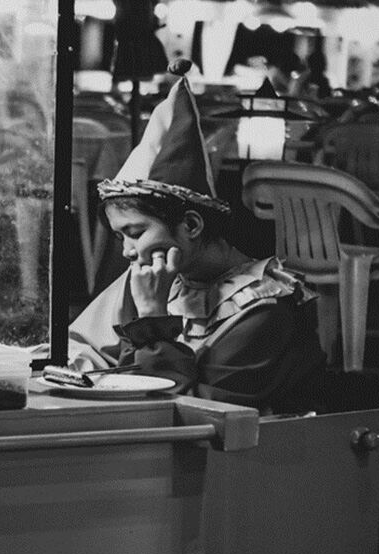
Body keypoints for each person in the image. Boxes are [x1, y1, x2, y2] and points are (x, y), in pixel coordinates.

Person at [68, 59, 325, 415]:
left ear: (191, 225)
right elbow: (82, 348)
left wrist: (153, 317)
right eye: (119, 237)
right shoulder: (153, 278)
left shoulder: (262, 307)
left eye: (136, 233)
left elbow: (186, 408)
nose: (128, 252)